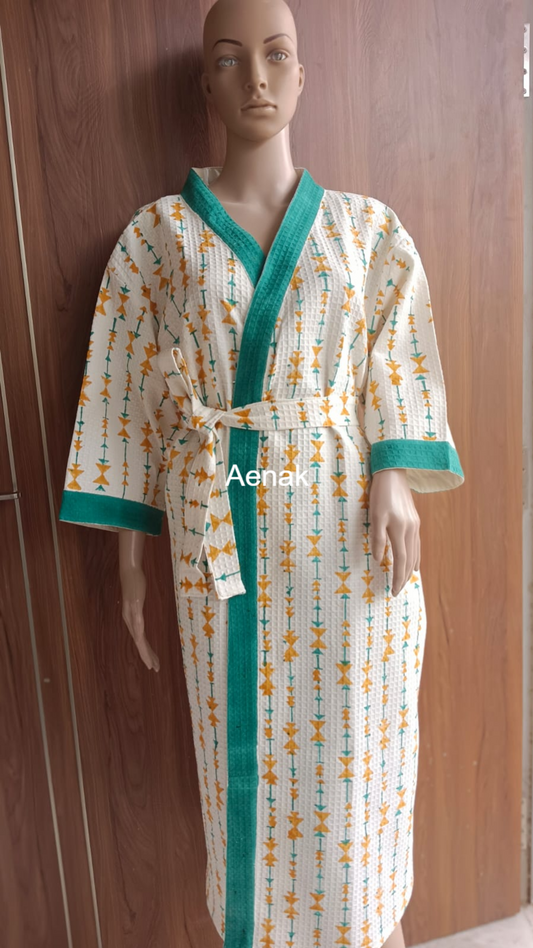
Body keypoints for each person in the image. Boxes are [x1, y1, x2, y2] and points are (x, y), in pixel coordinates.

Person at [59, 1, 465, 946]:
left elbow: (396, 358)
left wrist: (392, 473)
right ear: (202, 84)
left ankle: (362, 924)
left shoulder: (366, 233)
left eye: (277, 55)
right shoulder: (156, 239)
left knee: (355, 755)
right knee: (243, 760)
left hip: (346, 544)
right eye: (228, 60)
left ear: (303, 75)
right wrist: (131, 562)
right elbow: (130, 398)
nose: (255, 79)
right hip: (221, 540)